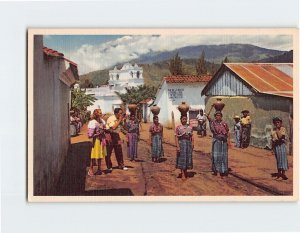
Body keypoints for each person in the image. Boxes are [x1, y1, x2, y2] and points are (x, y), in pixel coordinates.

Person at [208, 111, 230, 177]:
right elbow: (210, 121)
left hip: (224, 142)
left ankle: (222, 171)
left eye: (219, 115)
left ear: (221, 116)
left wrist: (228, 141)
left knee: (223, 156)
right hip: (216, 141)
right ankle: (216, 171)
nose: (218, 117)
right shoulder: (213, 123)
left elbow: (227, 131)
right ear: (215, 116)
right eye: (217, 115)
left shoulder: (224, 123)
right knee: (216, 156)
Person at [87, 109, 107, 176]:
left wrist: (103, 130)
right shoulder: (92, 122)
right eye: (100, 113)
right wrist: (97, 133)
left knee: (100, 155)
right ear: (96, 114)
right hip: (96, 140)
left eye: (101, 113)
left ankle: (99, 169)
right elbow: (90, 135)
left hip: (102, 140)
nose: (101, 114)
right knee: (93, 156)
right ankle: (91, 169)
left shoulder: (102, 121)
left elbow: (105, 128)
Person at [175, 114, 194, 179]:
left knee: (187, 158)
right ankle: (182, 173)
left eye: (185, 119)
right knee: (181, 158)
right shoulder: (178, 127)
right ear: (181, 120)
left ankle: (185, 171)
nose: (184, 120)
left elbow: (192, 136)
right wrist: (177, 146)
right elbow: (176, 137)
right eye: (183, 119)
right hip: (181, 144)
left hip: (188, 144)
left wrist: (192, 143)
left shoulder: (190, 127)